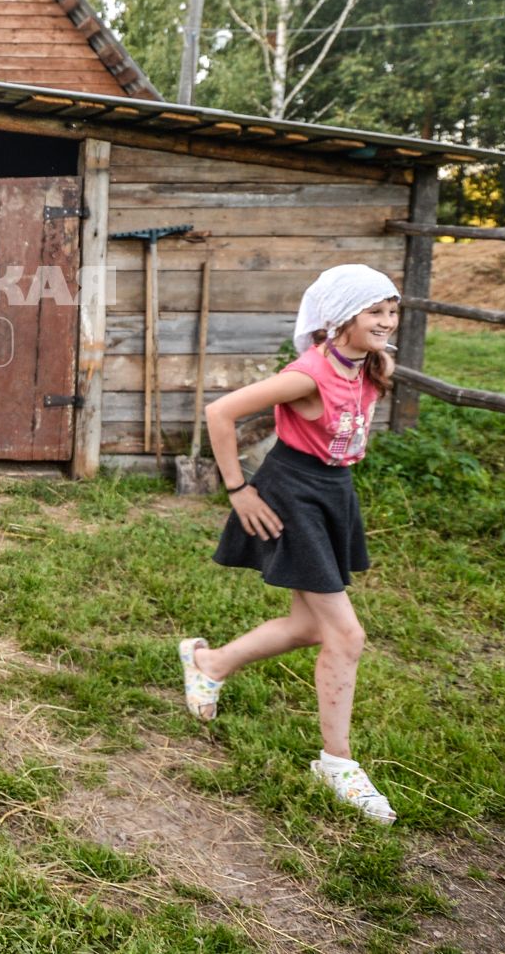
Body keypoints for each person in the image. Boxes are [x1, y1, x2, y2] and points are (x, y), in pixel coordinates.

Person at [178, 264, 402, 824]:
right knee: (346, 635)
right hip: (293, 494)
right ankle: (337, 763)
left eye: (391, 310)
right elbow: (220, 412)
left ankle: (210, 662)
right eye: (374, 311)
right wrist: (238, 490)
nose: (387, 321)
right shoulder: (307, 374)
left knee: (309, 627)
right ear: (341, 317)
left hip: (333, 491)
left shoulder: (373, 366)